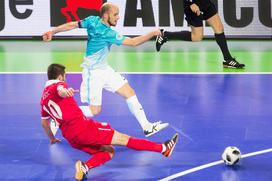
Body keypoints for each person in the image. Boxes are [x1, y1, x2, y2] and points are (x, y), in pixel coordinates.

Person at [42, 2, 168, 137]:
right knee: (94, 111)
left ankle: (147, 126)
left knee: (129, 92)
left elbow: (72, 24)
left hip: (104, 69)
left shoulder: (92, 20)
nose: (118, 17)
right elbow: (133, 42)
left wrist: (53, 31)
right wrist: (154, 33)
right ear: (106, 15)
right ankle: (59, 116)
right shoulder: (108, 33)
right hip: (93, 72)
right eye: (115, 15)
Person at [40, 63, 179, 181]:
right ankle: (164, 149)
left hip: (70, 137)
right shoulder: (58, 85)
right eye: (65, 76)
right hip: (84, 128)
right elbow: (60, 90)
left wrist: (52, 138)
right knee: (125, 139)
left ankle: (85, 167)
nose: (65, 79)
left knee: (109, 151)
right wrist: (66, 91)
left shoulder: (43, 100)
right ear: (60, 76)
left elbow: (45, 123)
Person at [155, 0, 245, 69]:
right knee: (197, 37)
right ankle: (165, 35)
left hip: (205, 3)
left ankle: (227, 59)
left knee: (219, 28)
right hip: (193, 5)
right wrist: (190, 2)